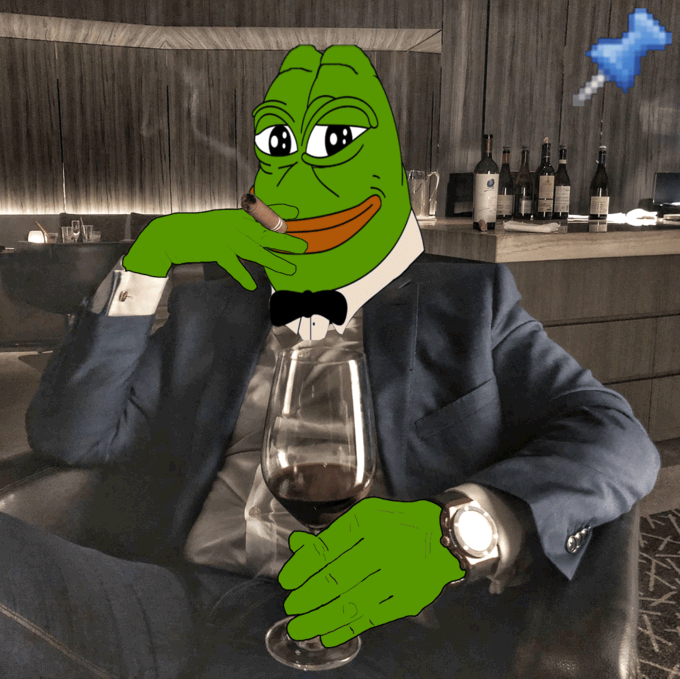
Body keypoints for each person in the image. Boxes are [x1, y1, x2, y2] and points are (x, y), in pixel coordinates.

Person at [2, 44, 659, 678]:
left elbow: (616, 435)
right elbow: (71, 432)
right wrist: (151, 254)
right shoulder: (216, 309)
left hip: (371, 623)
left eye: (335, 144)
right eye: (279, 148)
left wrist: (457, 530)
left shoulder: (468, 305)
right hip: (174, 597)